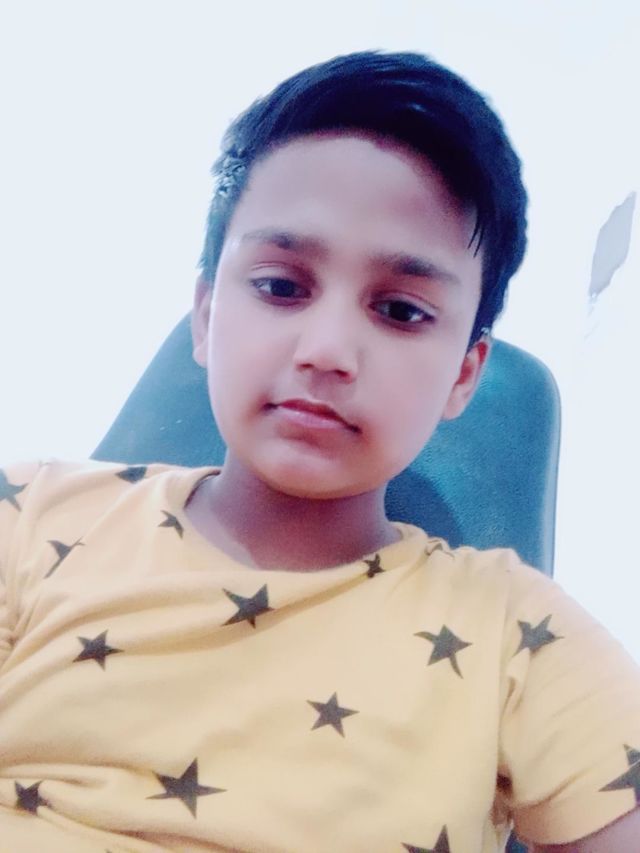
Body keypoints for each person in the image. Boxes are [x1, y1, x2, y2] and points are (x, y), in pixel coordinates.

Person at [1, 50, 639, 853]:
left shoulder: (522, 638)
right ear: (206, 316)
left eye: (400, 310)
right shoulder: (28, 518)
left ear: (463, 375)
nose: (328, 350)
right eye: (281, 286)